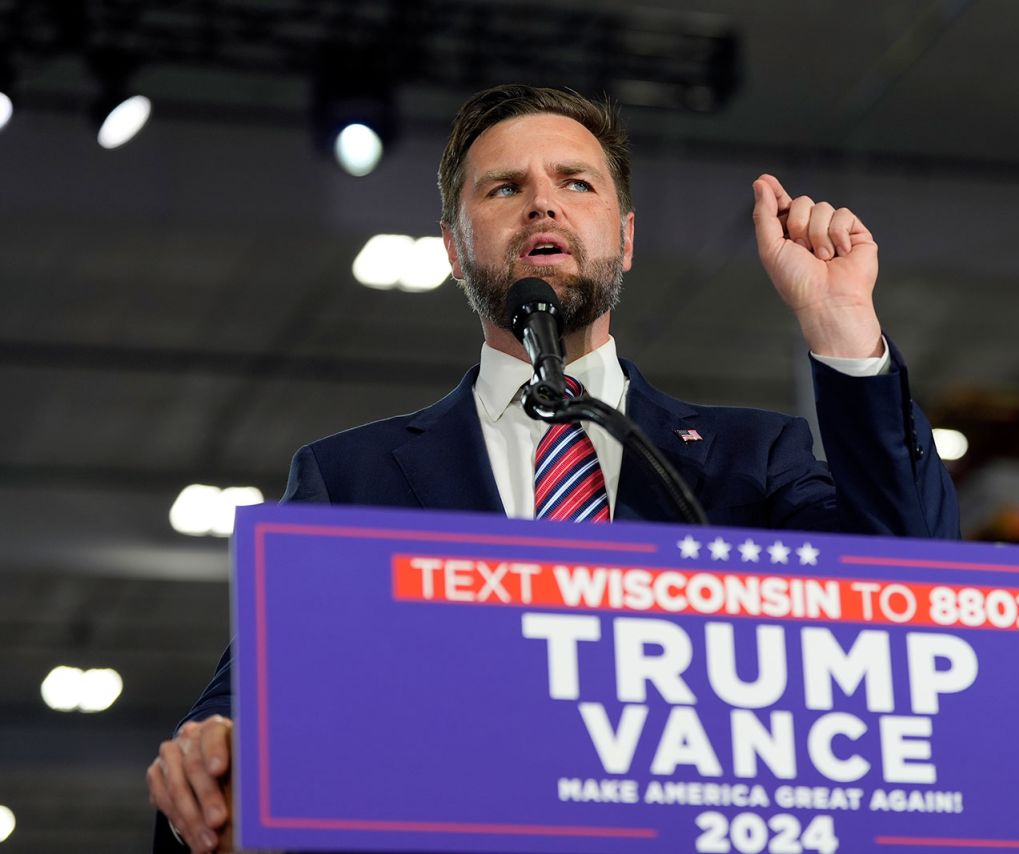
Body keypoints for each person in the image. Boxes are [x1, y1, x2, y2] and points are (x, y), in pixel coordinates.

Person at [146, 83, 960, 853]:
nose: (542, 201)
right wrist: (220, 755)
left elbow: (911, 590)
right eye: (503, 188)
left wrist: (842, 322)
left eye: (576, 183)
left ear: (627, 238)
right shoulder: (351, 479)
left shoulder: (755, 460)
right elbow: (252, 693)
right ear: (455, 253)